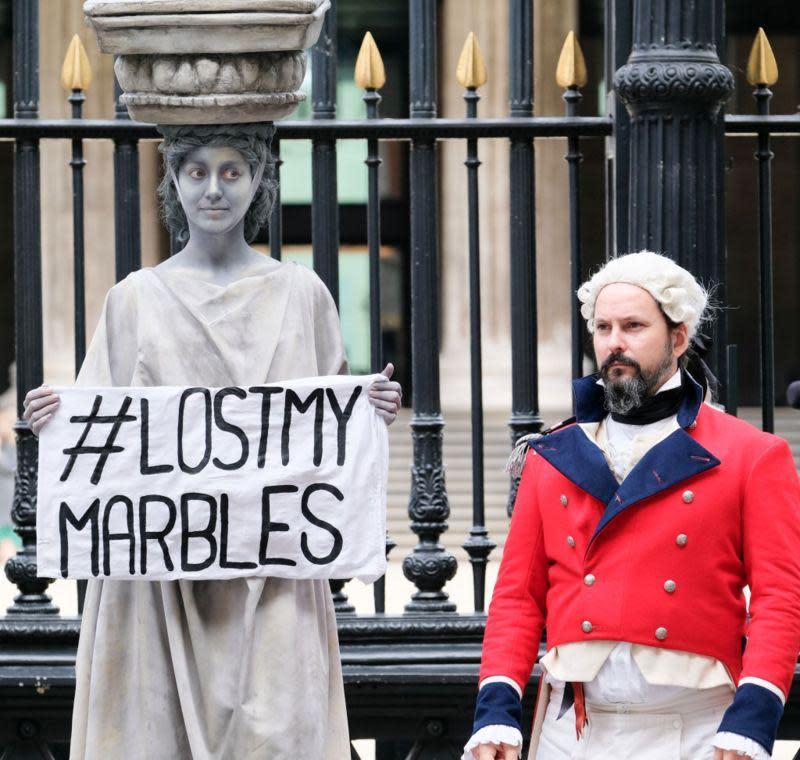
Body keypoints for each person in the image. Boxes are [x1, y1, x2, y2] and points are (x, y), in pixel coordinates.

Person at [23, 122, 401, 759]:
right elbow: (103, 438)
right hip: (158, 581)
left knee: (279, 734)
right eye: (196, 172)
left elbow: (324, 433)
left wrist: (371, 411)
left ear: (257, 182)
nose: (214, 189)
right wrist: (55, 418)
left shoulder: (302, 294)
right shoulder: (134, 300)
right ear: (174, 181)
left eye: (232, 171)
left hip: (273, 569)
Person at [463, 251, 800, 760]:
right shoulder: (552, 454)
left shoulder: (752, 455)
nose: (614, 342)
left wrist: (751, 722)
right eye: (603, 327)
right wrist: (495, 713)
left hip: (697, 731)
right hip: (569, 731)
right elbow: (517, 598)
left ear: (679, 338)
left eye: (634, 326)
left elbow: (779, 599)